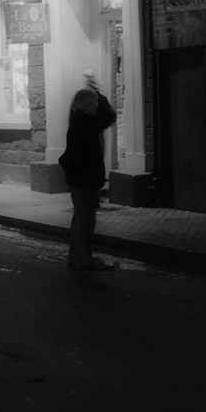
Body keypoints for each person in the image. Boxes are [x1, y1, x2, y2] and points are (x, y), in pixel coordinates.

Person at [59, 80, 118, 271]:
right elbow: (108, 116)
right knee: (85, 221)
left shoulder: (79, 122)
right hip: (84, 181)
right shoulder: (85, 125)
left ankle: (76, 257)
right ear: (89, 106)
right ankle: (83, 260)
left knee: (80, 219)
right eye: (95, 104)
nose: (97, 107)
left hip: (80, 180)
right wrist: (97, 93)